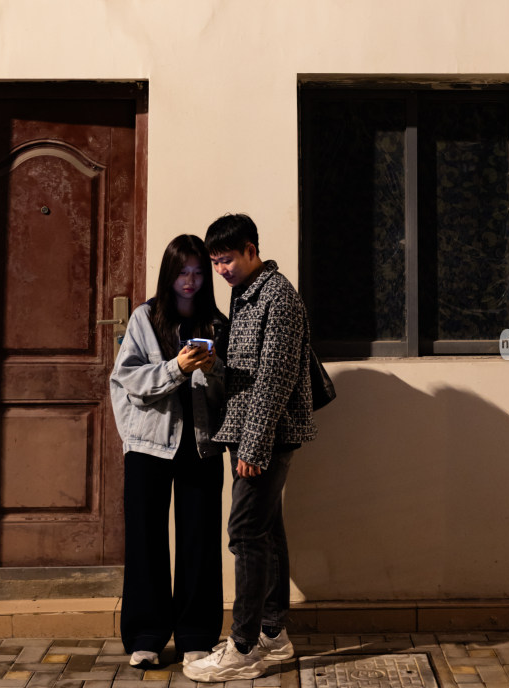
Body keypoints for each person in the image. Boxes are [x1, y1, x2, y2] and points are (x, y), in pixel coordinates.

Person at [184, 214, 318, 682]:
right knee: (265, 533)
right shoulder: (246, 294)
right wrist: (217, 361)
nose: (220, 270)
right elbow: (250, 368)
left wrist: (255, 446)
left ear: (251, 249)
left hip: (265, 436)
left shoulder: (277, 297)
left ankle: (242, 646)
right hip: (249, 431)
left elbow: (275, 380)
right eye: (215, 262)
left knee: (244, 534)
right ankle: (273, 635)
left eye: (226, 259)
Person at [110, 234, 229, 669]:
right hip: (147, 444)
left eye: (199, 273)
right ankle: (146, 635)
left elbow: (228, 393)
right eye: (184, 272)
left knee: (199, 538)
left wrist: (214, 369)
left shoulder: (215, 320)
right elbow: (129, 381)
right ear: (169, 273)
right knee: (145, 538)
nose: (191, 281)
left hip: (201, 444)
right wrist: (176, 367)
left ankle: (196, 634)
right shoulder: (145, 317)